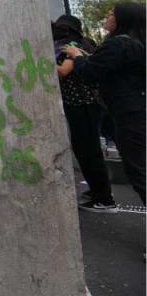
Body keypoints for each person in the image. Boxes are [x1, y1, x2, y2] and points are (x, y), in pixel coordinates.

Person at [58, 2, 146, 204]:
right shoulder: (136, 43)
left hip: (128, 112)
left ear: (123, 19)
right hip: (135, 109)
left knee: (139, 172)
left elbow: (89, 74)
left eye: (112, 13)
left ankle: (103, 199)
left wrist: (78, 56)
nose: (108, 15)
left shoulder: (118, 44)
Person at [51, 15, 116, 212]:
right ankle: (98, 191)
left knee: (87, 150)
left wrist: (38, 63)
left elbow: (64, 71)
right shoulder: (82, 42)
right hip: (83, 104)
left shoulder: (72, 44)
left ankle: (104, 198)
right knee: (86, 149)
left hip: (83, 104)